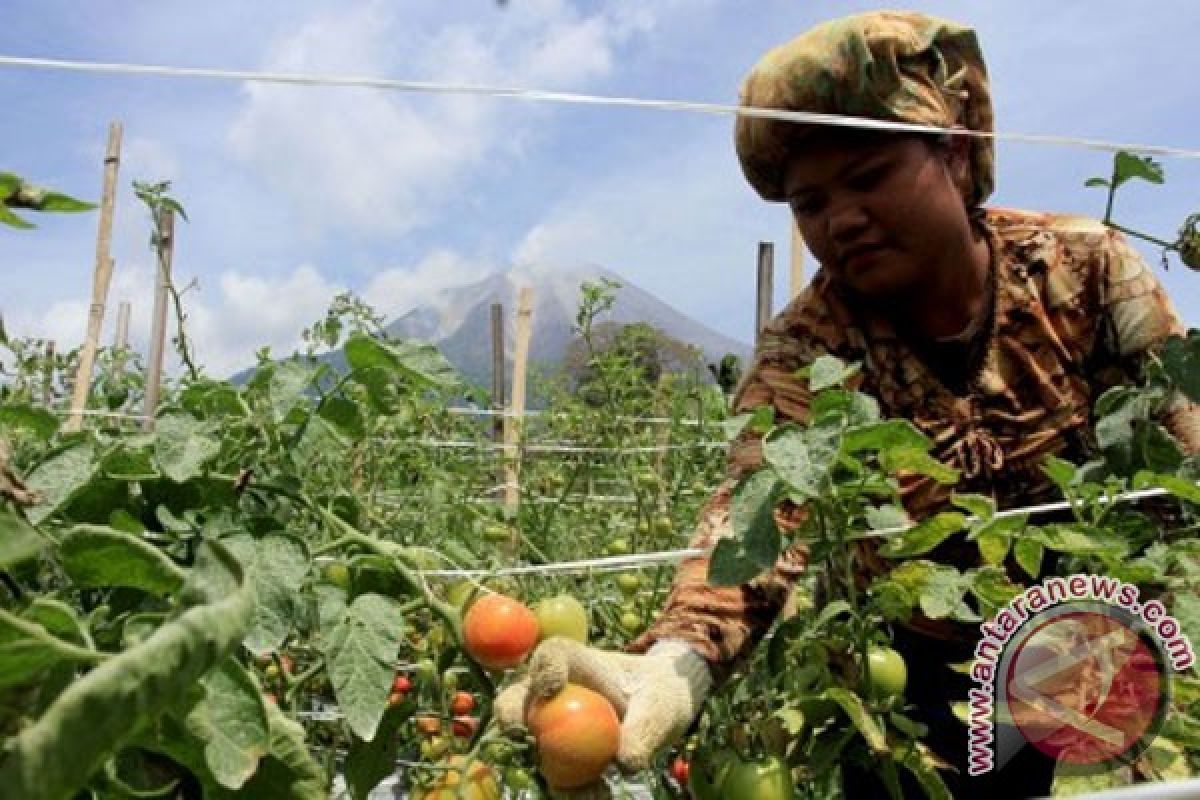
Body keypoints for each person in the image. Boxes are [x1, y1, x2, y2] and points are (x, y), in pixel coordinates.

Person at [495, 10, 1200, 798]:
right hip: (900, 693)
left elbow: (1185, 453)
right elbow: (758, 515)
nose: (841, 220)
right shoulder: (809, 347)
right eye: (810, 203)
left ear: (955, 155)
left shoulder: (1085, 271)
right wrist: (677, 662)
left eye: (868, 179)